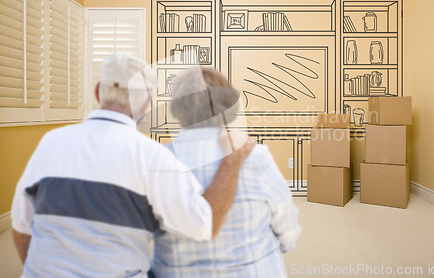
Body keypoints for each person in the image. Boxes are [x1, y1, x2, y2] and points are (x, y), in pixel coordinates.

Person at [11, 53, 255, 277]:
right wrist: (232, 159)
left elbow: (21, 227)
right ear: (146, 103)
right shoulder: (153, 157)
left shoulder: (51, 142)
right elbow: (205, 225)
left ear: (98, 92)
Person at [152, 68, 301, 278]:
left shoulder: (156, 160)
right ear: (228, 107)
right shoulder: (256, 156)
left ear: (177, 109)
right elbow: (286, 225)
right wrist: (282, 246)